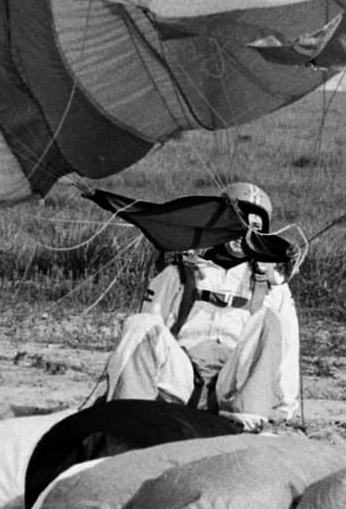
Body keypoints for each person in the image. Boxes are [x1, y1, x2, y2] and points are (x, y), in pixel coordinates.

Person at [101, 182, 300, 430]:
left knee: (267, 321)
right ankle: (125, 417)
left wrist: (285, 409)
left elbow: (287, 351)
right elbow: (148, 332)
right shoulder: (178, 272)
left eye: (254, 228)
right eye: (237, 224)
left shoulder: (274, 286)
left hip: (233, 383)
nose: (244, 234)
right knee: (140, 323)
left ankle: (247, 425)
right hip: (182, 376)